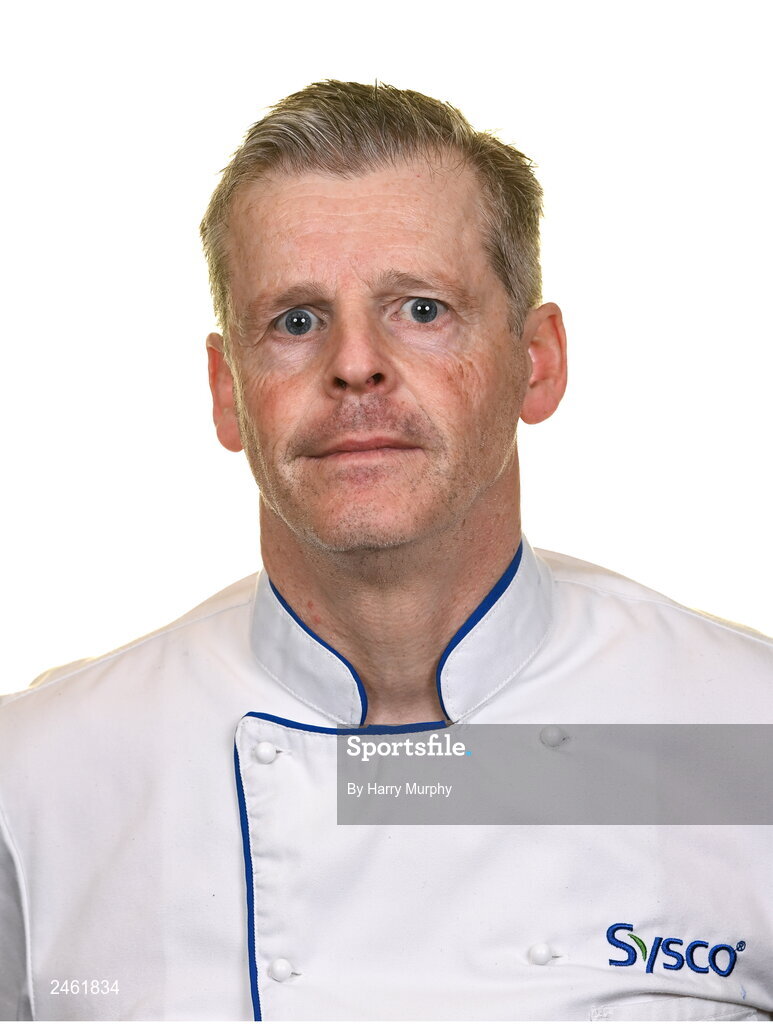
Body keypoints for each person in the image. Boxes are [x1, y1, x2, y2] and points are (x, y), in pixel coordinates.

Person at [1, 80, 771, 1022]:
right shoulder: (38, 776)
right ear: (226, 391)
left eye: (420, 309)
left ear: (538, 361)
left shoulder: (747, 736)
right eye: (294, 320)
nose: (355, 363)